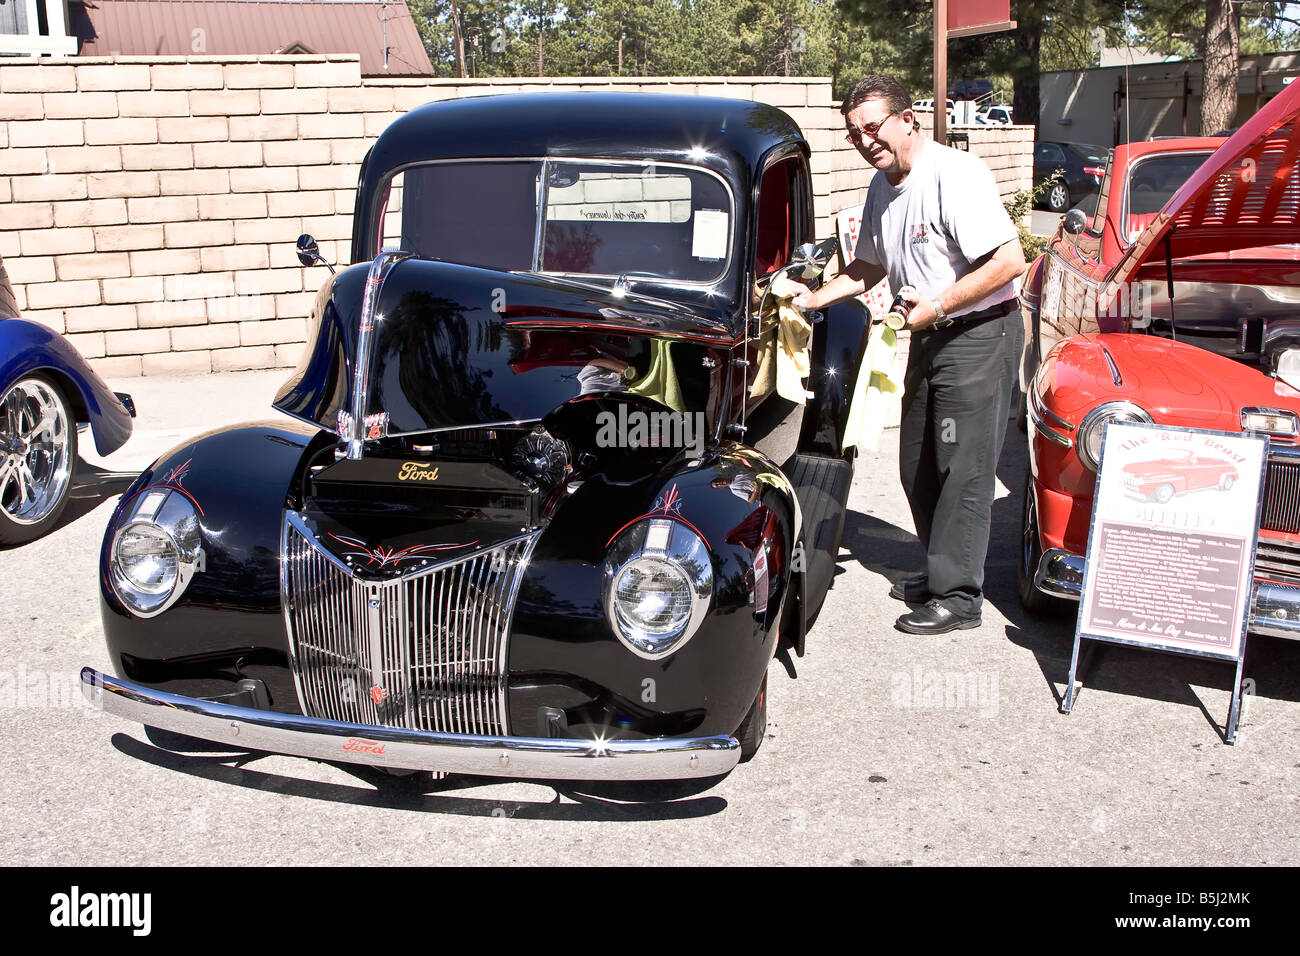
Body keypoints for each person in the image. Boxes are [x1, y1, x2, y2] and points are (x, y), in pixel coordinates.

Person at [792, 75, 1025, 634]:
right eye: (854, 133)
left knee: (962, 468)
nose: (864, 139)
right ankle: (944, 567)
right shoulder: (882, 186)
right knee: (917, 461)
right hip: (926, 332)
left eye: (872, 126)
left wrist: (939, 305)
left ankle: (960, 596)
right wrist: (813, 297)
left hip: (978, 333)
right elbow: (868, 266)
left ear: (908, 119)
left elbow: (1008, 262)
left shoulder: (954, 175)